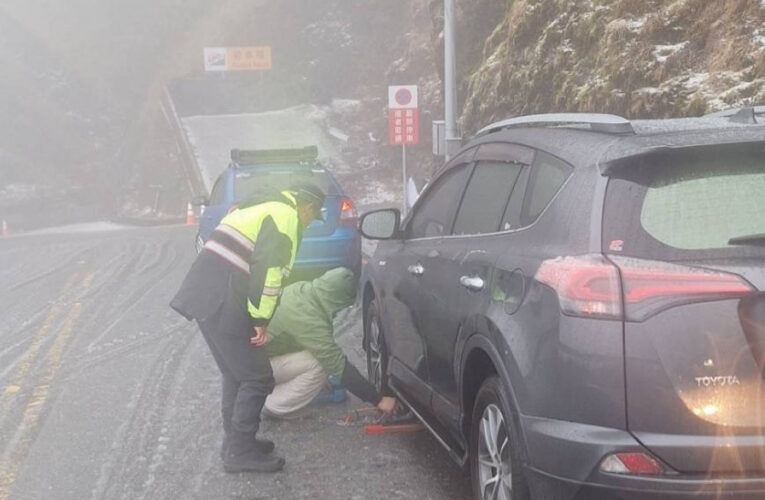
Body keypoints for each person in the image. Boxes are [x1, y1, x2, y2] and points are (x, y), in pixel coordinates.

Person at [170, 182, 325, 473]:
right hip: (224, 298)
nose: (308, 223)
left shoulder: (257, 204)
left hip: (204, 294)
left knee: (236, 374)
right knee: (258, 377)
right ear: (306, 207)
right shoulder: (284, 215)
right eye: (311, 217)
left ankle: (236, 443)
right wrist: (260, 320)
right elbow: (270, 273)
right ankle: (239, 452)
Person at [261, 267, 399, 419]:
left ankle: (264, 389)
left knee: (318, 358)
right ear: (338, 300)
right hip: (253, 367)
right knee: (321, 365)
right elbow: (337, 364)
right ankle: (273, 405)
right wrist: (378, 400)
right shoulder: (309, 317)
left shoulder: (302, 290)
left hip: (246, 358)